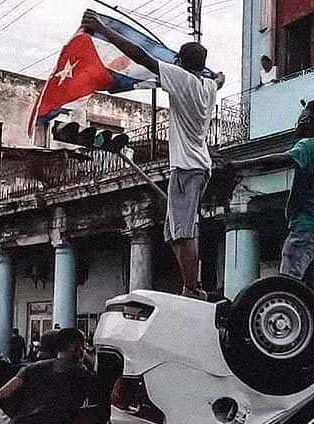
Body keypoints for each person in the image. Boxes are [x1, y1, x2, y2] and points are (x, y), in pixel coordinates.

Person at [81, 11, 225, 300]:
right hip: (194, 165)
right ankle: (189, 281)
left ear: (182, 63)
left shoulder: (182, 79)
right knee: (171, 232)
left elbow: (140, 55)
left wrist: (103, 29)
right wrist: (217, 74)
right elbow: (220, 78)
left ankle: (192, 287)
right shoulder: (208, 86)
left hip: (187, 166)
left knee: (183, 230)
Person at [225, 100, 314, 295]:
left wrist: (239, 165)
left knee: (287, 288)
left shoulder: (307, 146)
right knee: (308, 290)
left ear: (306, 119)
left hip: (307, 227)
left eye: (303, 115)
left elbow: (279, 160)